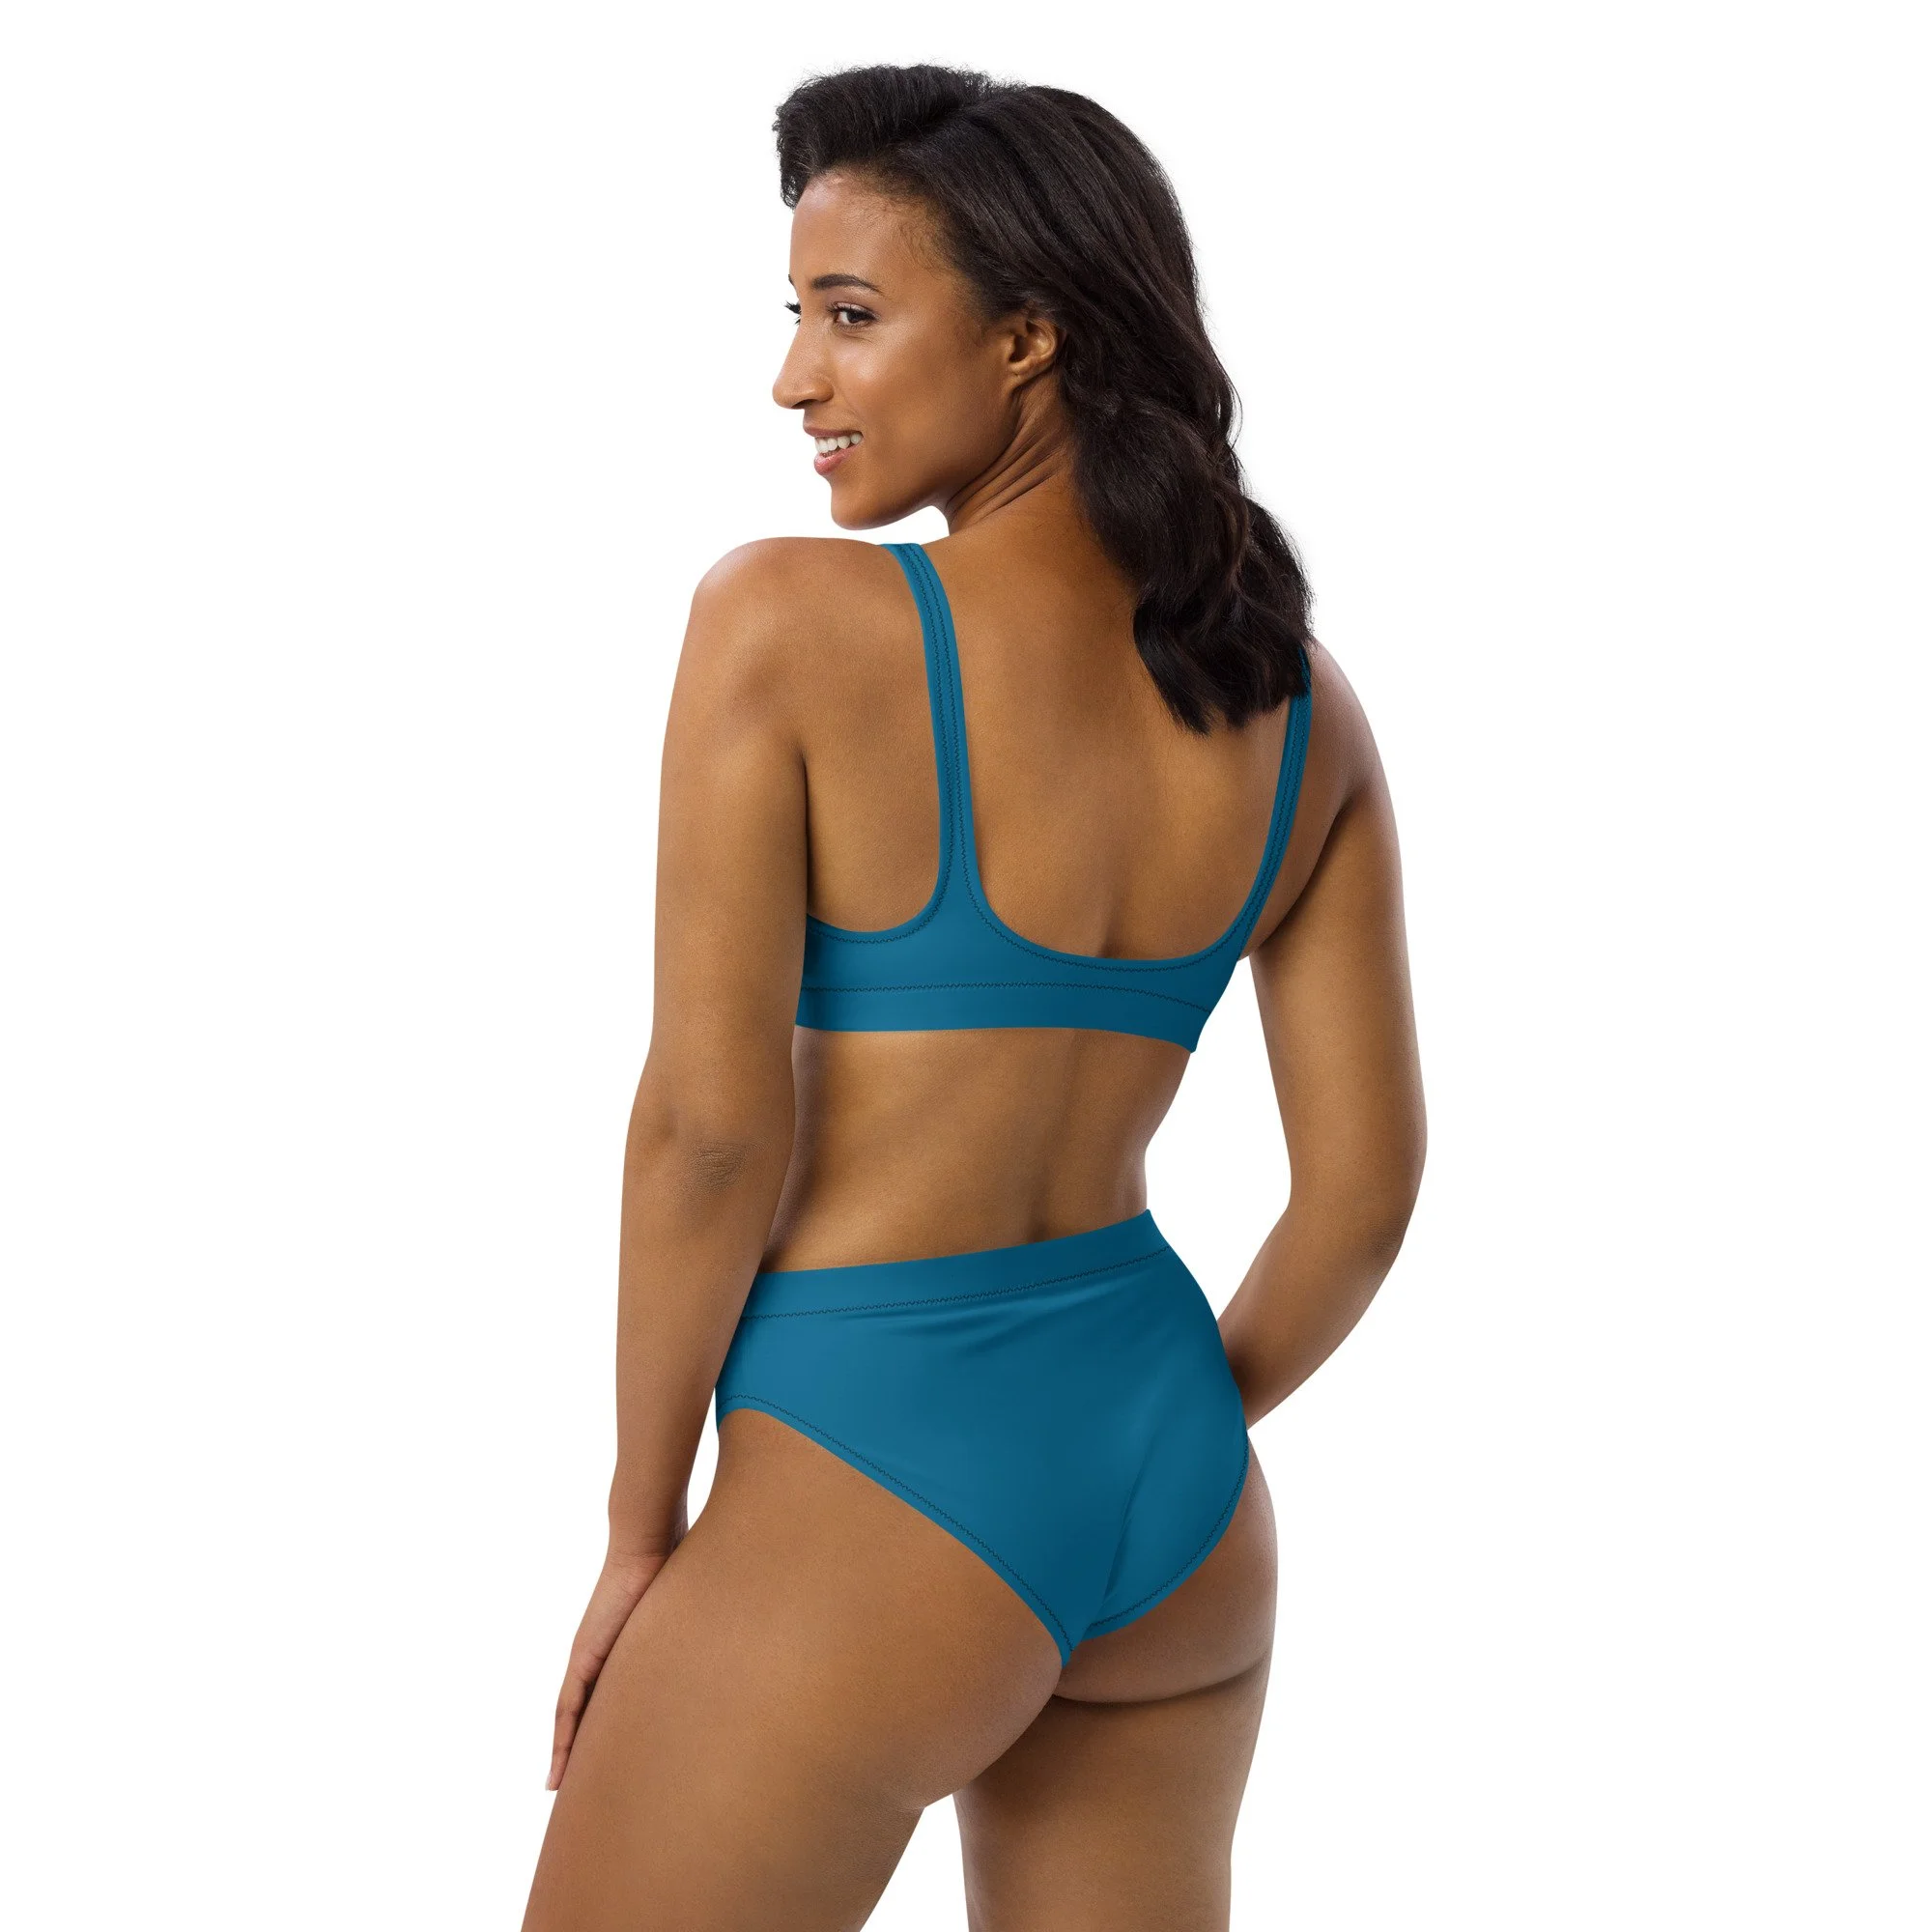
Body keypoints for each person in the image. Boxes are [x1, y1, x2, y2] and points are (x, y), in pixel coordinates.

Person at [521, 62, 1424, 1932]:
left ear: (1028, 338)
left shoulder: (789, 623)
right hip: (1178, 1508)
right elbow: (1360, 1193)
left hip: (871, 1469)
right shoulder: (1294, 704)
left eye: (849, 315)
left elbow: (707, 1132)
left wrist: (636, 1529)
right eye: (795, 316)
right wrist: (1142, 1424)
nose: (794, 380)